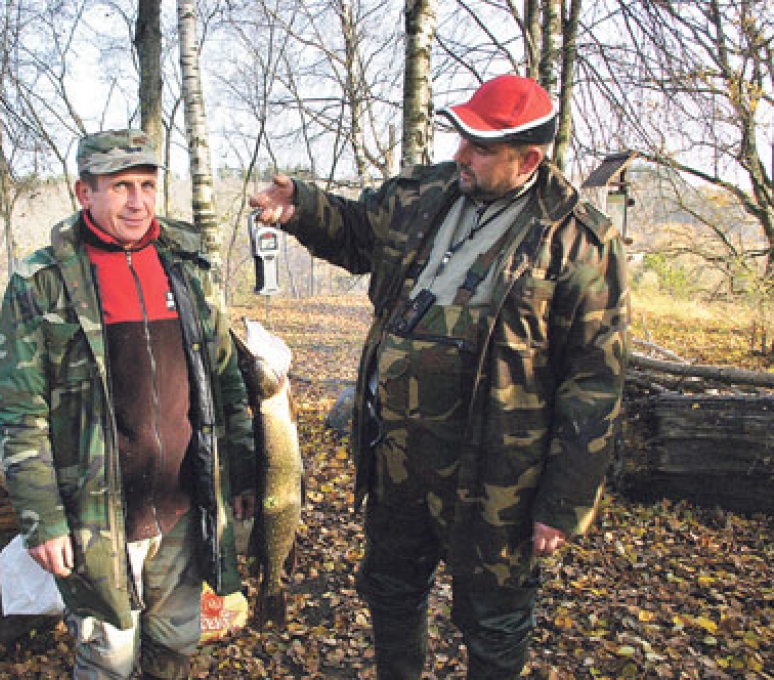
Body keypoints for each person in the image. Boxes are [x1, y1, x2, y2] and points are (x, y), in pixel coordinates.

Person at [250, 74, 629, 679]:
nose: (461, 155)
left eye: (480, 147)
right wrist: (304, 208)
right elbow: (359, 232)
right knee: (391, 587)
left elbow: (594, 382)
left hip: (497, 474)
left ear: (528, 160)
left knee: (494, 619)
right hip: (397, 456)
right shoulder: (426, 193)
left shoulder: (578, 241)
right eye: (462, 139)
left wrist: (565, 500)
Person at [0, 129, 255, 680]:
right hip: (97, 515)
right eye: (120, 187)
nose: (138, 201)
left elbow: (226, 379)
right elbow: (21, 412)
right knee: (109, 656)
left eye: (147, 185)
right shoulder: (43, 283)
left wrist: (245, 472)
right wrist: (42, 518)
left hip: (183, 502)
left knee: (178, 640)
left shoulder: (187, 267)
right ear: (84, 192)